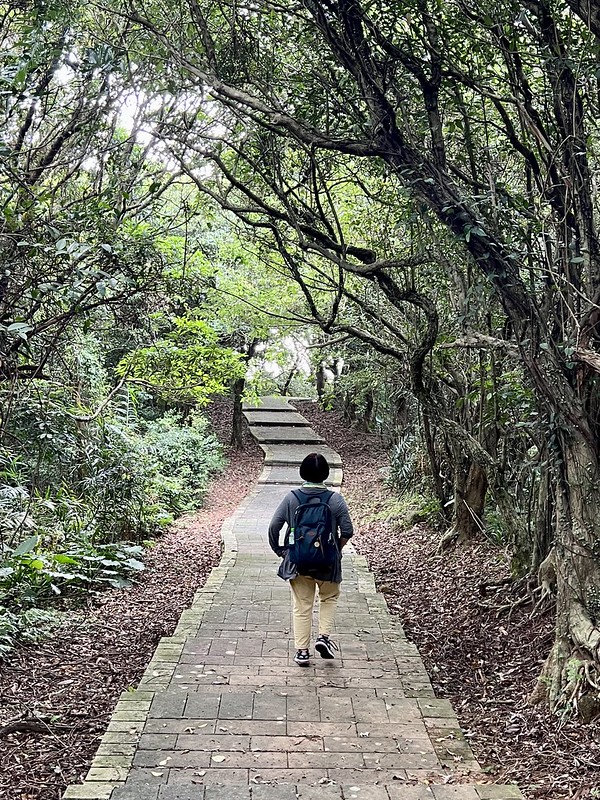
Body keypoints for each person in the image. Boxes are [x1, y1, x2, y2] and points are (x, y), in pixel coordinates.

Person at [268, 452, 354, 666]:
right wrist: (337, 550)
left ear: (302, 472)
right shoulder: (335, 499)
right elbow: (347, 530)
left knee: (302, 605)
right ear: (326, 474)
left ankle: (302, 652)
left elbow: (274, 527)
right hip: (328, 561)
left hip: (299, 561)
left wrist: (281, 551)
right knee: (329, 598)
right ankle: (323, 637)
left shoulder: (292, 498)